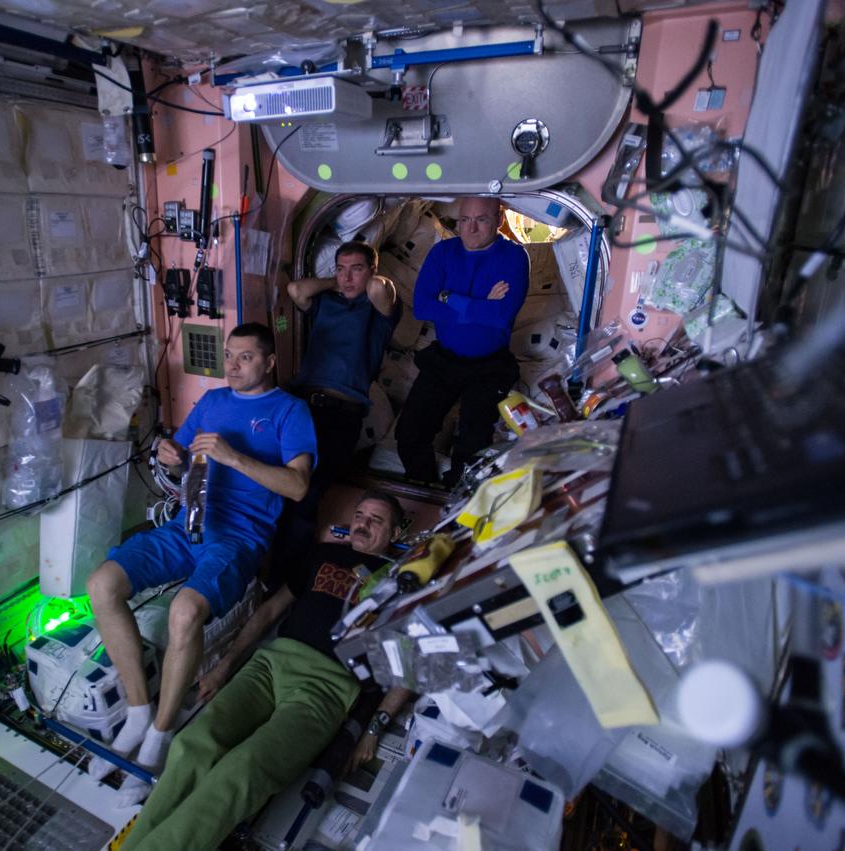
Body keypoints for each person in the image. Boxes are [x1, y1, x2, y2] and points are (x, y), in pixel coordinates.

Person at [118, 490, 415, 851]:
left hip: (326, 686)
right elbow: (270, 612)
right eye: (360, 514)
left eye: (376, 520)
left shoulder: (402, 581)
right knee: (191, 744)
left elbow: (410, 665)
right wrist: (225, 667)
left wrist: (374, 727)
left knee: (243, 769)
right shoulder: (322, 555)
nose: (362, 524)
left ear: (395, 534)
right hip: (271, 663)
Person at [85, 322, 316, 783]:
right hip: (186, 524)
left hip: (239, 537)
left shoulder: (290, 411)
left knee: (185, 611)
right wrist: (169, 451)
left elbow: (297, 486)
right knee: (102, 584)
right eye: (229, 355)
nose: (232, 364)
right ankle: (137, 712)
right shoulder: (211, 401)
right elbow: (181, 450)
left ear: (270, 362)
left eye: (245, 357)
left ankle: (161, 733)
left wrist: (235, 458)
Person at [271, 241, 400, 584]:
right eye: (340, 268)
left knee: (307, 496)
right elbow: (295, 289)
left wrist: (361, 278)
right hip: (300, 404)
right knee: (273, 486)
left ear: (372, 269)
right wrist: (338, 281)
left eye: (356, 268)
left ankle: (283, 581)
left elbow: (377, 288)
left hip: (341, 413)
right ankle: (259, 569)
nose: (346, 277)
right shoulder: (327, 301)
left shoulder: (378, 311)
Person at [396, 196, 529, 485]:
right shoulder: (443, 252)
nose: (471, 229)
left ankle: (454, 501)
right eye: (464, 220)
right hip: (444, 358)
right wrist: (481, 305)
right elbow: (423, 307)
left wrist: (449, 297)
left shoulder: (515, 257)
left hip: (490, 365)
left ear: (499, 220)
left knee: (473, 444)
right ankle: (423, 485)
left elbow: (500, 317)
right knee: (409, 432)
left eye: (481, 220)